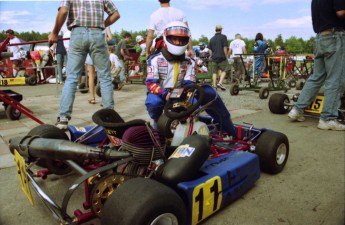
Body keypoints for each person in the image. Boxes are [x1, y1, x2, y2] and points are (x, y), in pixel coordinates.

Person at [145, 21, 236, 137]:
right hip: (161, 93)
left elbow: (189, 83)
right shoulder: (155, 60)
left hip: (180, 92)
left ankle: (226, 127)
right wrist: (165, 94)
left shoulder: (189, 61)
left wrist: (186, 95)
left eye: (181, 40)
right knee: (153, 102)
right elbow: (150, 83)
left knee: (207, 92)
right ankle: (158, 126)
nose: (178, 43)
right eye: (174, 39)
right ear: (166, 38)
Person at [48, 0, 120, 129]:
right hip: (97, 34)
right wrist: (101, 25)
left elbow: (63, 11)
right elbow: (116, 14)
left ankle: (63, 118)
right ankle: (109, 116)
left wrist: (54, 32)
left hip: (78, 34)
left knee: (71, 78)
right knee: (105, 77)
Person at [288, 0, 345, 131]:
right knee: (335, 79)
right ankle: (328, 118)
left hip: (320, 38)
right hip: (335, 36)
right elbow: (341, 12)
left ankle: (297, 109)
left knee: (316, 77)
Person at [85, 27, 114, 104]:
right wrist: (104, 41)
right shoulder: (105, 25)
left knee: (91, 76)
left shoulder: (88, 24)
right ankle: (105, 100)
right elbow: (110, 37)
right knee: (104, 76)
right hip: (101, 51)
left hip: (91, 50)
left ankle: (92, 97)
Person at [208, 25, 230, 91]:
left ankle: (214, 86)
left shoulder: (211, 39)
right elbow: (225, 47)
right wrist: (226, 56)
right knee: (225, 69)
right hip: (222, 57)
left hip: (214, 58)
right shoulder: (223, 37)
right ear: (221, 30)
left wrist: (212, 55)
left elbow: (209, 49)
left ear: (215, 30)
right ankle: (220, 82)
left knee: (214, 72)